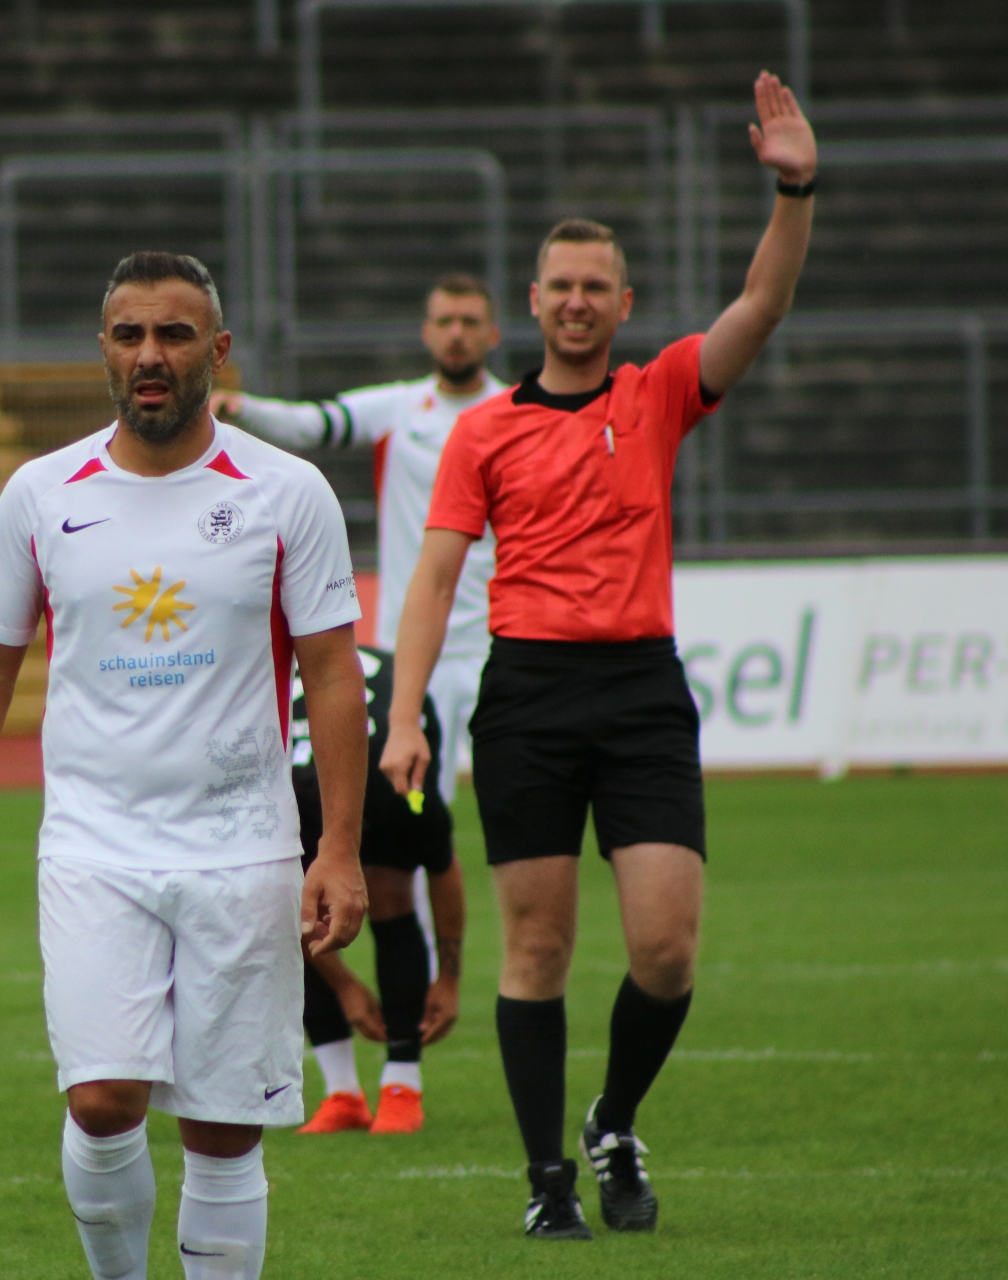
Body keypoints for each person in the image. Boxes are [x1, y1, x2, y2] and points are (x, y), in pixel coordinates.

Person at [382, 72, 818, 1240]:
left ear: (623, 301)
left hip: (638, 688)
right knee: (537, 942)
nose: (577, 303)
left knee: (667, 947)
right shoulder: (483, 431)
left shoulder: (661, 388)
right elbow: (431, 578)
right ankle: (547, 1179)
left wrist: (795, 186)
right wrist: (406, 713)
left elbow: (762, 307)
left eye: (596, 288)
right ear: (536, 299)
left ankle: (613, 1116)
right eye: (560, 286)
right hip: (526, 691)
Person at [0, 250, 369, 1280]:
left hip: (243, 847)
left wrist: (339, 846)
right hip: (94, 846)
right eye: (129, 335)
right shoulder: (41, 493)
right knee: (102, 1096)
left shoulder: (285, 490)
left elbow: (333, 675)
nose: (150, 356)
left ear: (217, 349)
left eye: (173, 334)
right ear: (105, 352)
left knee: (221, 1129)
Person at [211, 273, 509, 806]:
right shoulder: (398, 408)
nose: (457, 334)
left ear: (494, 334)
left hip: (503, 644)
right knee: (415, 806)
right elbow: (313, 425)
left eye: (470, 322)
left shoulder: (517, 412)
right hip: (415, 649)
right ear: (426, 332)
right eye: (445, 322)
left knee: (518, 803)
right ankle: (415, 895)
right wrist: (243, 410)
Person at [285, 645, 465, 1136]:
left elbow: (444, 868)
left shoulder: (402, 790)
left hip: (389, 740)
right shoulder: (289, 800)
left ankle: (402, 1086)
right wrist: (345, 985)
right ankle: (342, 1093)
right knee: (304, 911)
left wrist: (449, 980)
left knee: (389, 894)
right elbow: (284, 911)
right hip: (309, 782)